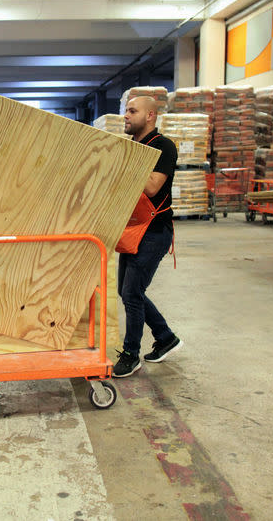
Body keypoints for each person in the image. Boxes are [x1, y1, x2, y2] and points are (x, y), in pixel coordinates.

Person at [113, 96, 182, 378]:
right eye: (126, 111)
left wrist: (125, 160)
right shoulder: (136, 147)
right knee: (127, 291)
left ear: (150, 115)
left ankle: (132, 354)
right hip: (132, 229)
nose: (126, 116)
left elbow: (152, 187)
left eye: (133, 111)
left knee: (131, 293)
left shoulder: (162, 146)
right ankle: (165, 337)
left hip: (154, 232)